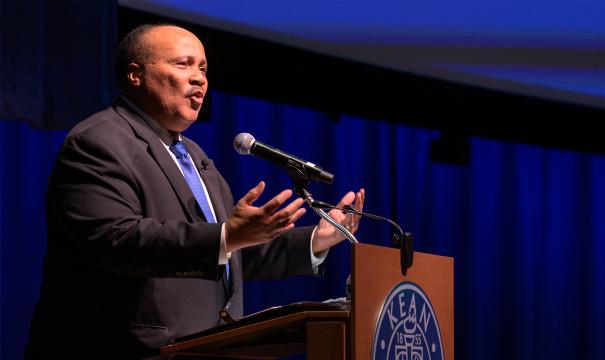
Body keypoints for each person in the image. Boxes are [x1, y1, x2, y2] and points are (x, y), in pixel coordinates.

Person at [25, 23, 364, 359]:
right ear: (135, 74)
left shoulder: (195, 156)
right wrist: (226, 237)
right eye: (182, 64)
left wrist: (316, 239)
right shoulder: (98, 142)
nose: (199, 78)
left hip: (204, 349)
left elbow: (228, 254)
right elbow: (118, 241)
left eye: (203, 67)